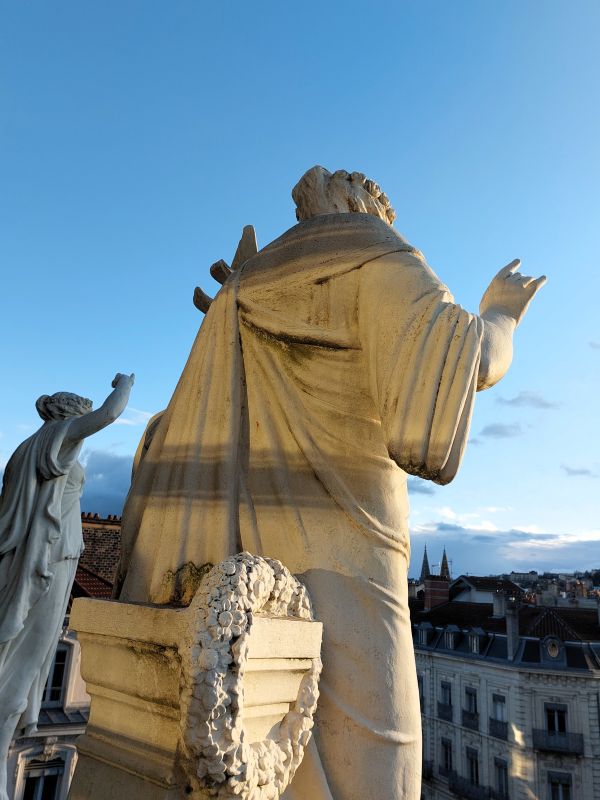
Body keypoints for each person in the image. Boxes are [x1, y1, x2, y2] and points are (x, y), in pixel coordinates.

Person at [116, 167, 544, 800]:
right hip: (350, 545)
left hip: (244, 549)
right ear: (359, 205)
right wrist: (501, 314)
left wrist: (238, 300)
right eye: (382, 208)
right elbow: (469, 357)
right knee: (379, 744)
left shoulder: (254, 283)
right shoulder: (375, 254)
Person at [0, 373, 134, 800]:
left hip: (50, 558)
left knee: (27, 656)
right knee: (26, 658)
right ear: (68, 415)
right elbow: (109, 414)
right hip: (49, 561)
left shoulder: (26, 450)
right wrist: (125, 384)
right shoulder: (56, 439)